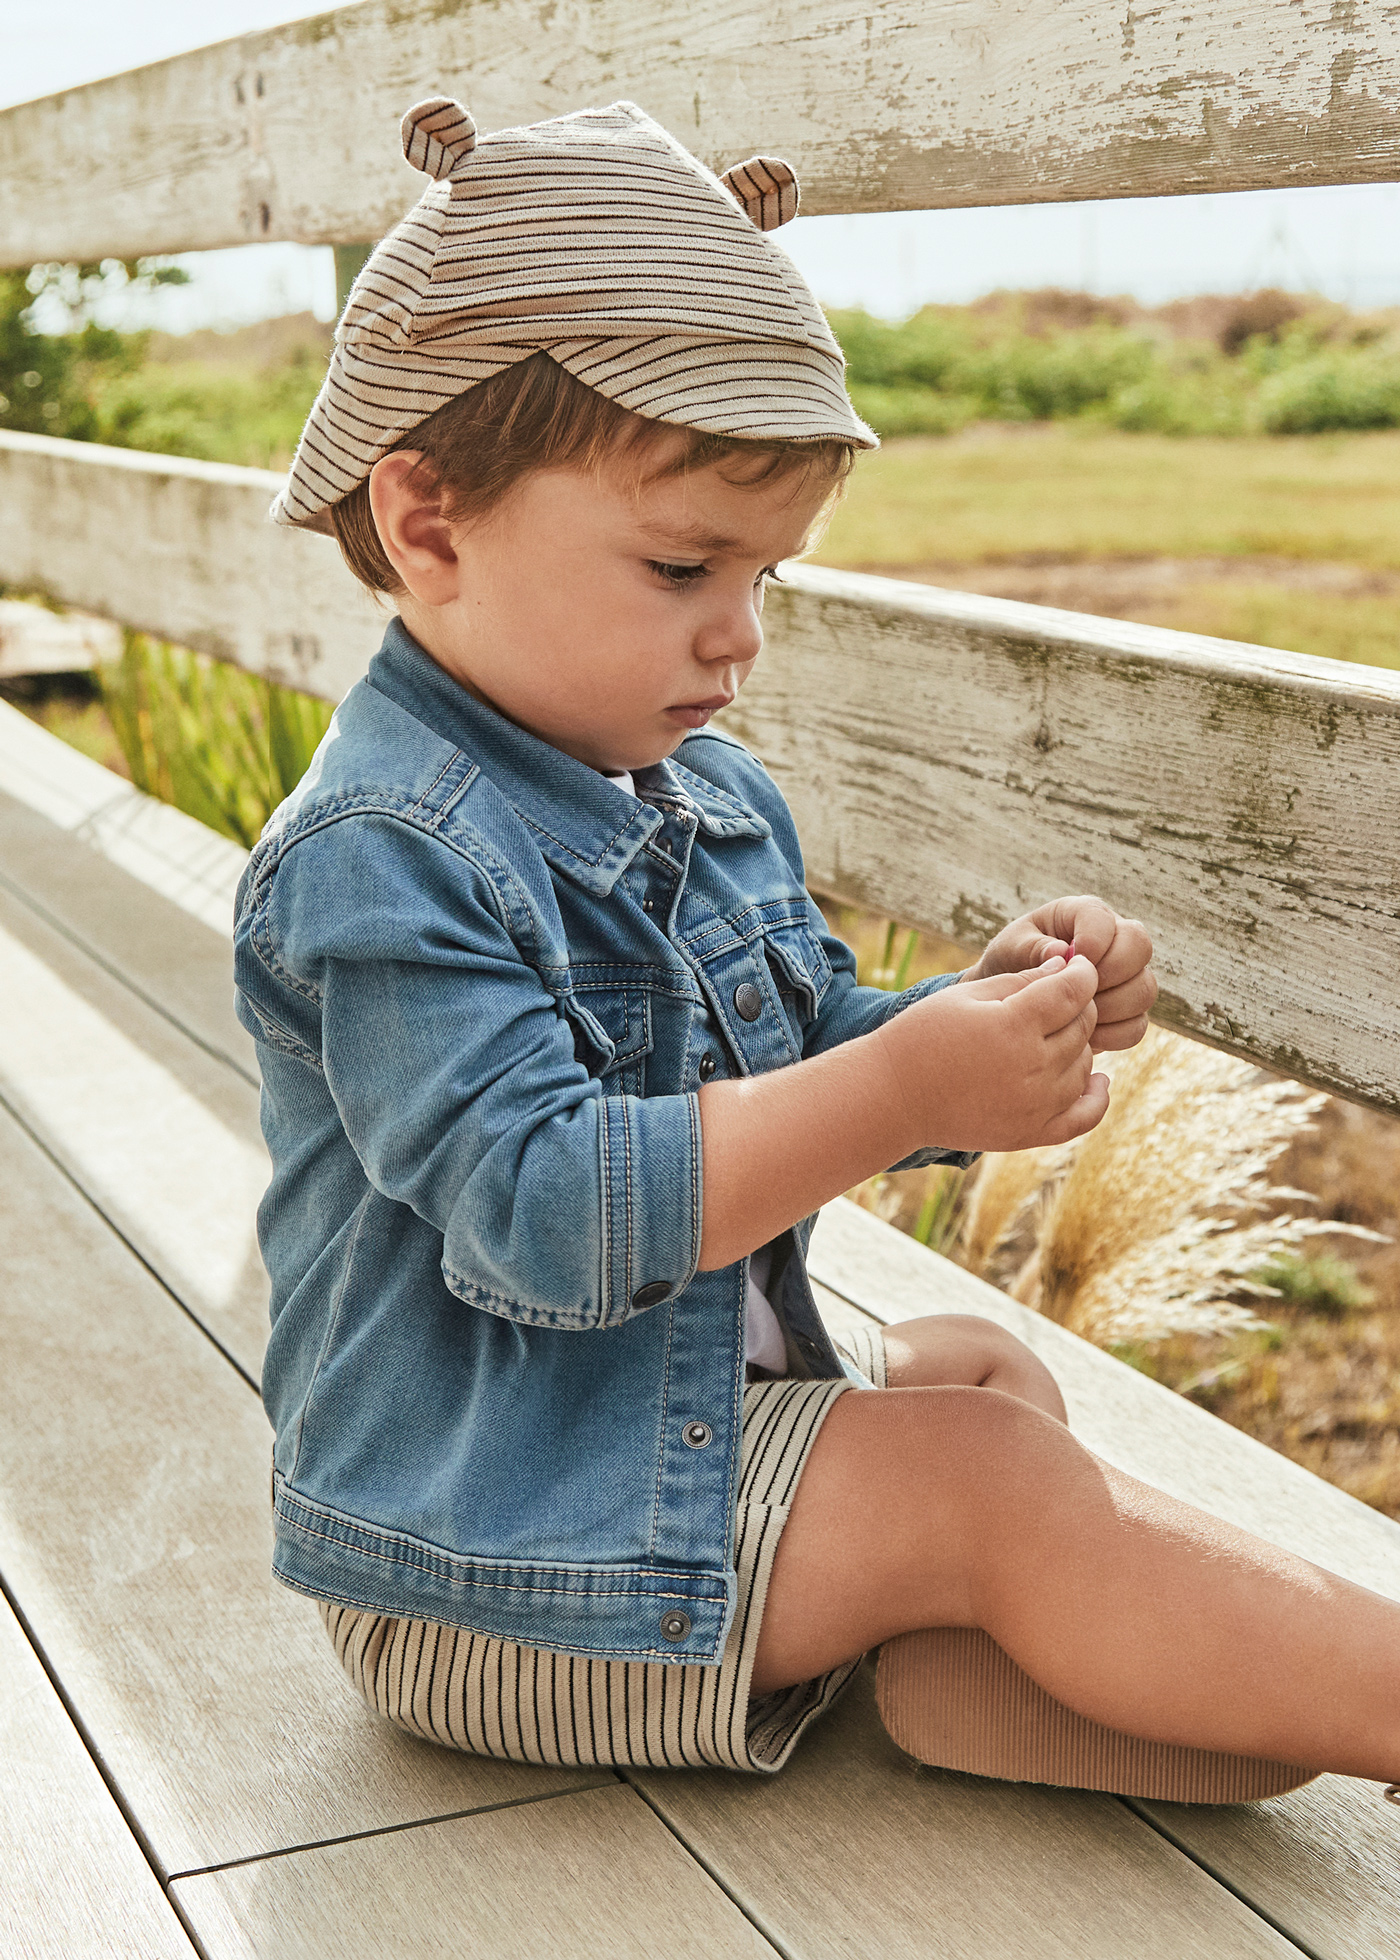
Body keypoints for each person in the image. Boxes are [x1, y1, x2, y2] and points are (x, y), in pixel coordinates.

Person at [234, 95, 1400, 1801]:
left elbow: (802, 1049)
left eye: (769, 572)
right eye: (685, 564)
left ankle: (972, 1677)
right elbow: (556, 1213)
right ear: (427, 527)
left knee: (988, 1380)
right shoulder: (380, 861)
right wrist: (894, 1083)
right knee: (983, 1484)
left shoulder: (688, 784)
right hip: (490, 1559)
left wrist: (969, 1030)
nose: (741, 635)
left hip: (645, 1444)